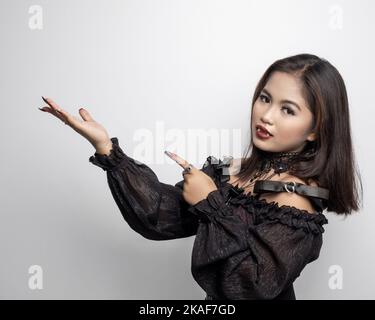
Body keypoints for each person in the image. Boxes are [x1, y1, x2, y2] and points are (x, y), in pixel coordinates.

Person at [38, 53, 362, 300]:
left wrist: (212, 204)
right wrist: (107, 149)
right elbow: (160, 217)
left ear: (315, 128)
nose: (266, 115)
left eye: (287, 109)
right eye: (265, 98)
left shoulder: (297, 202)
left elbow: (250, 287)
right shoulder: (234, 171)